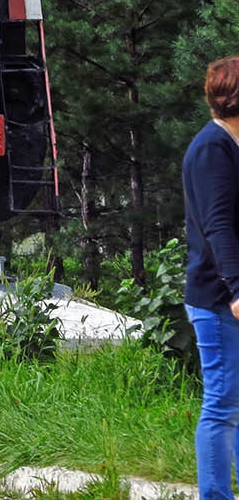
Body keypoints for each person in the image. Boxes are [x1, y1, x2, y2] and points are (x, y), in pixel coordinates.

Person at [185, 55, 239, 500]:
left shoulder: (232, 145)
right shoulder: (211, 149)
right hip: (219, 298)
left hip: (232, 293)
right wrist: (238, 289)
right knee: (221, 406)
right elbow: (218, 225)